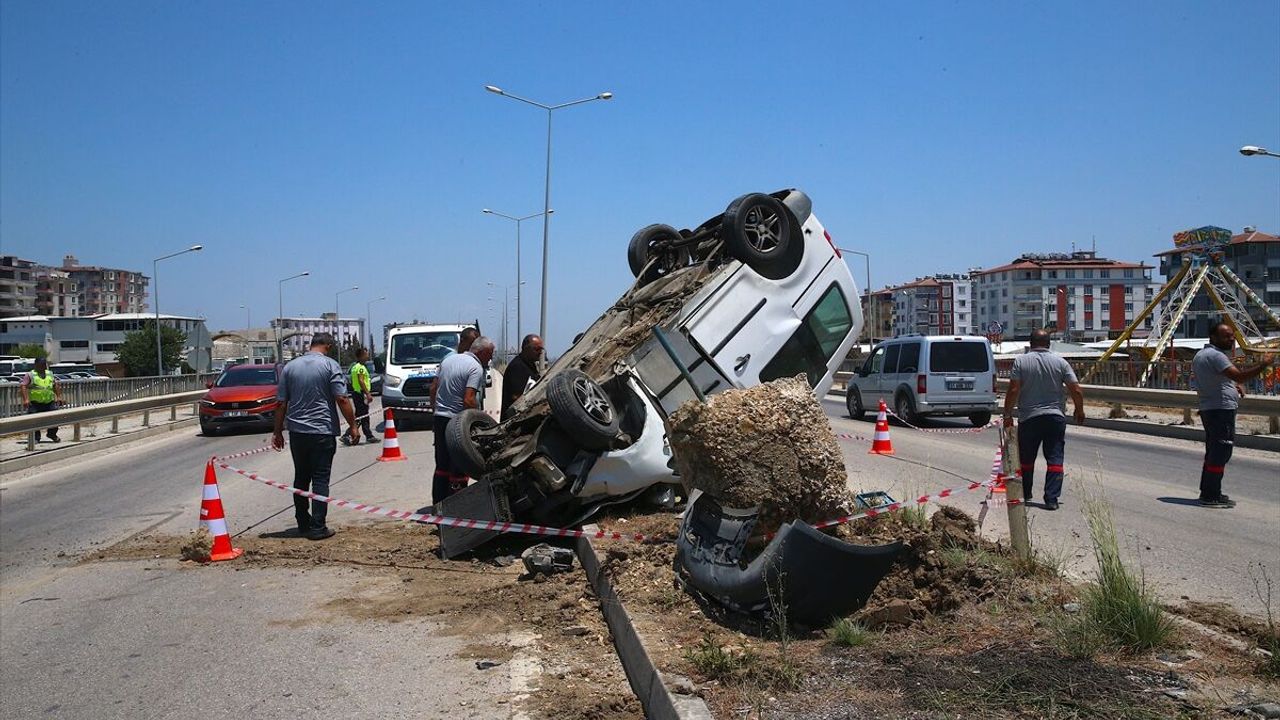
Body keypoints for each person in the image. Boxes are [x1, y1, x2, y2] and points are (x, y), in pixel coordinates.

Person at [272, 333, 359, 540]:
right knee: (320, 479)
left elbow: (281, 403)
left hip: (298, 432)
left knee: (301, 477)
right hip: (322, 431)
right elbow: (341, 398)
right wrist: (353, 426)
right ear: (328, 346)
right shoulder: (330, 366)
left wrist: (277, 431)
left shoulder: (290, 367)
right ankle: (318, 527)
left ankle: (303, 523)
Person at [1191, 322, 1276, 509]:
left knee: (1214, 452)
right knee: (1221, 452)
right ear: (1213, 337)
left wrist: (1232, 386)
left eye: (1231, 336)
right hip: (1220, 410)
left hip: (1212, 408)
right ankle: (1211, 495)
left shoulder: (1202, 355)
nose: (1231, 339)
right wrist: (1263, 364)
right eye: (1226, 336)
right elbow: (1239, 376)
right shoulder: (1216, 356)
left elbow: (1213, 380)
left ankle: (1209, 492)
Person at [1002, 329, 1085, 511]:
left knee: (1026, 458)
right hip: (1055, 417)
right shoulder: (1060, 362)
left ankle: (1026, 492)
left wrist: (1007, 415)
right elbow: (1076, 389)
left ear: (1030, 343)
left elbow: (1014, 390)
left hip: (1029, 418)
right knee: (1055, 458)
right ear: (1049, 344)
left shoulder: (1021, 361)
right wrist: (1080, 410)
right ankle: (1052, 499)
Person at [429, 335, 495, 505]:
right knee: (460, 466)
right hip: (457, 422)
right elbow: (469, 399)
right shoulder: (475, 368)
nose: (491, 358)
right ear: (481, 352)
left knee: (442, 467)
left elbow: (433, 389)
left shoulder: (448, 361)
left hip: (440, 418)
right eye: (490, 354)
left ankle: (438, 506)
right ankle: (456, 507)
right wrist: (477, 422)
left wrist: (435, 412)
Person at [501, 334, 544, 421]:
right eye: (536, 349)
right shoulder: (517, 367)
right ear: (525, 348)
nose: (540, 352)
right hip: (514, 421)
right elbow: (516, 397)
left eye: (541, 349)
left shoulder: (530, 365)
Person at [20, 357, 62, 444]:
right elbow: (23, 386)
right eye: (42, 365)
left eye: (45, 364)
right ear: (36, 365)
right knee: (34, 421)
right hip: (35, 403)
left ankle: (52, 434)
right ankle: (36, 437)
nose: (44, 367)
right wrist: (26, 399)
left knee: (55, 418)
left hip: (49, 402)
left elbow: (55, 385)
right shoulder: (30, 375)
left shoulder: (49, 374)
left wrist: (58, 397)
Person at [345, 347, 378, 445]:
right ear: (361, 356)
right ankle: (348, 434)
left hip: (357, 393)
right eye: (366, 354)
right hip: (361, 394)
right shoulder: (360, 368)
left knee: (360, 416)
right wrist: (367, 393)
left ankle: (367, 435)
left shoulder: (354, 366)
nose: (367, 356)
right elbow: (361, 380)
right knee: (363, 416)